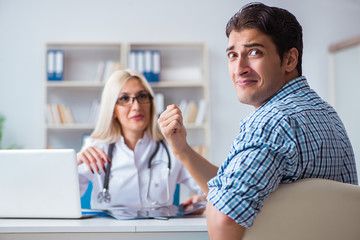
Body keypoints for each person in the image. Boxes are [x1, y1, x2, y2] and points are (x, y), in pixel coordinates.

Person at [158, 2, 358, 239]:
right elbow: (242, 191)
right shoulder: (326, 113)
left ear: (290, 60)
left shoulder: (271, 122)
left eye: (254, 52)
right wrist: (182, 150)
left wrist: (217, 204)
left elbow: (225, 219)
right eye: (233, 55)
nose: (239, 68)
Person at [77, 69, 205, 210]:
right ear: (113, 110)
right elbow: (59, 198)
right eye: (125, 99)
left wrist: (202, 201)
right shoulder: (96, 149)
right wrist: (74, 163)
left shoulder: (172, 148)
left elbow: (217, 189)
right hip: (110, 232)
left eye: (142, 96)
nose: (137, 106)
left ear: (151, 104)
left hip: (159, 231)